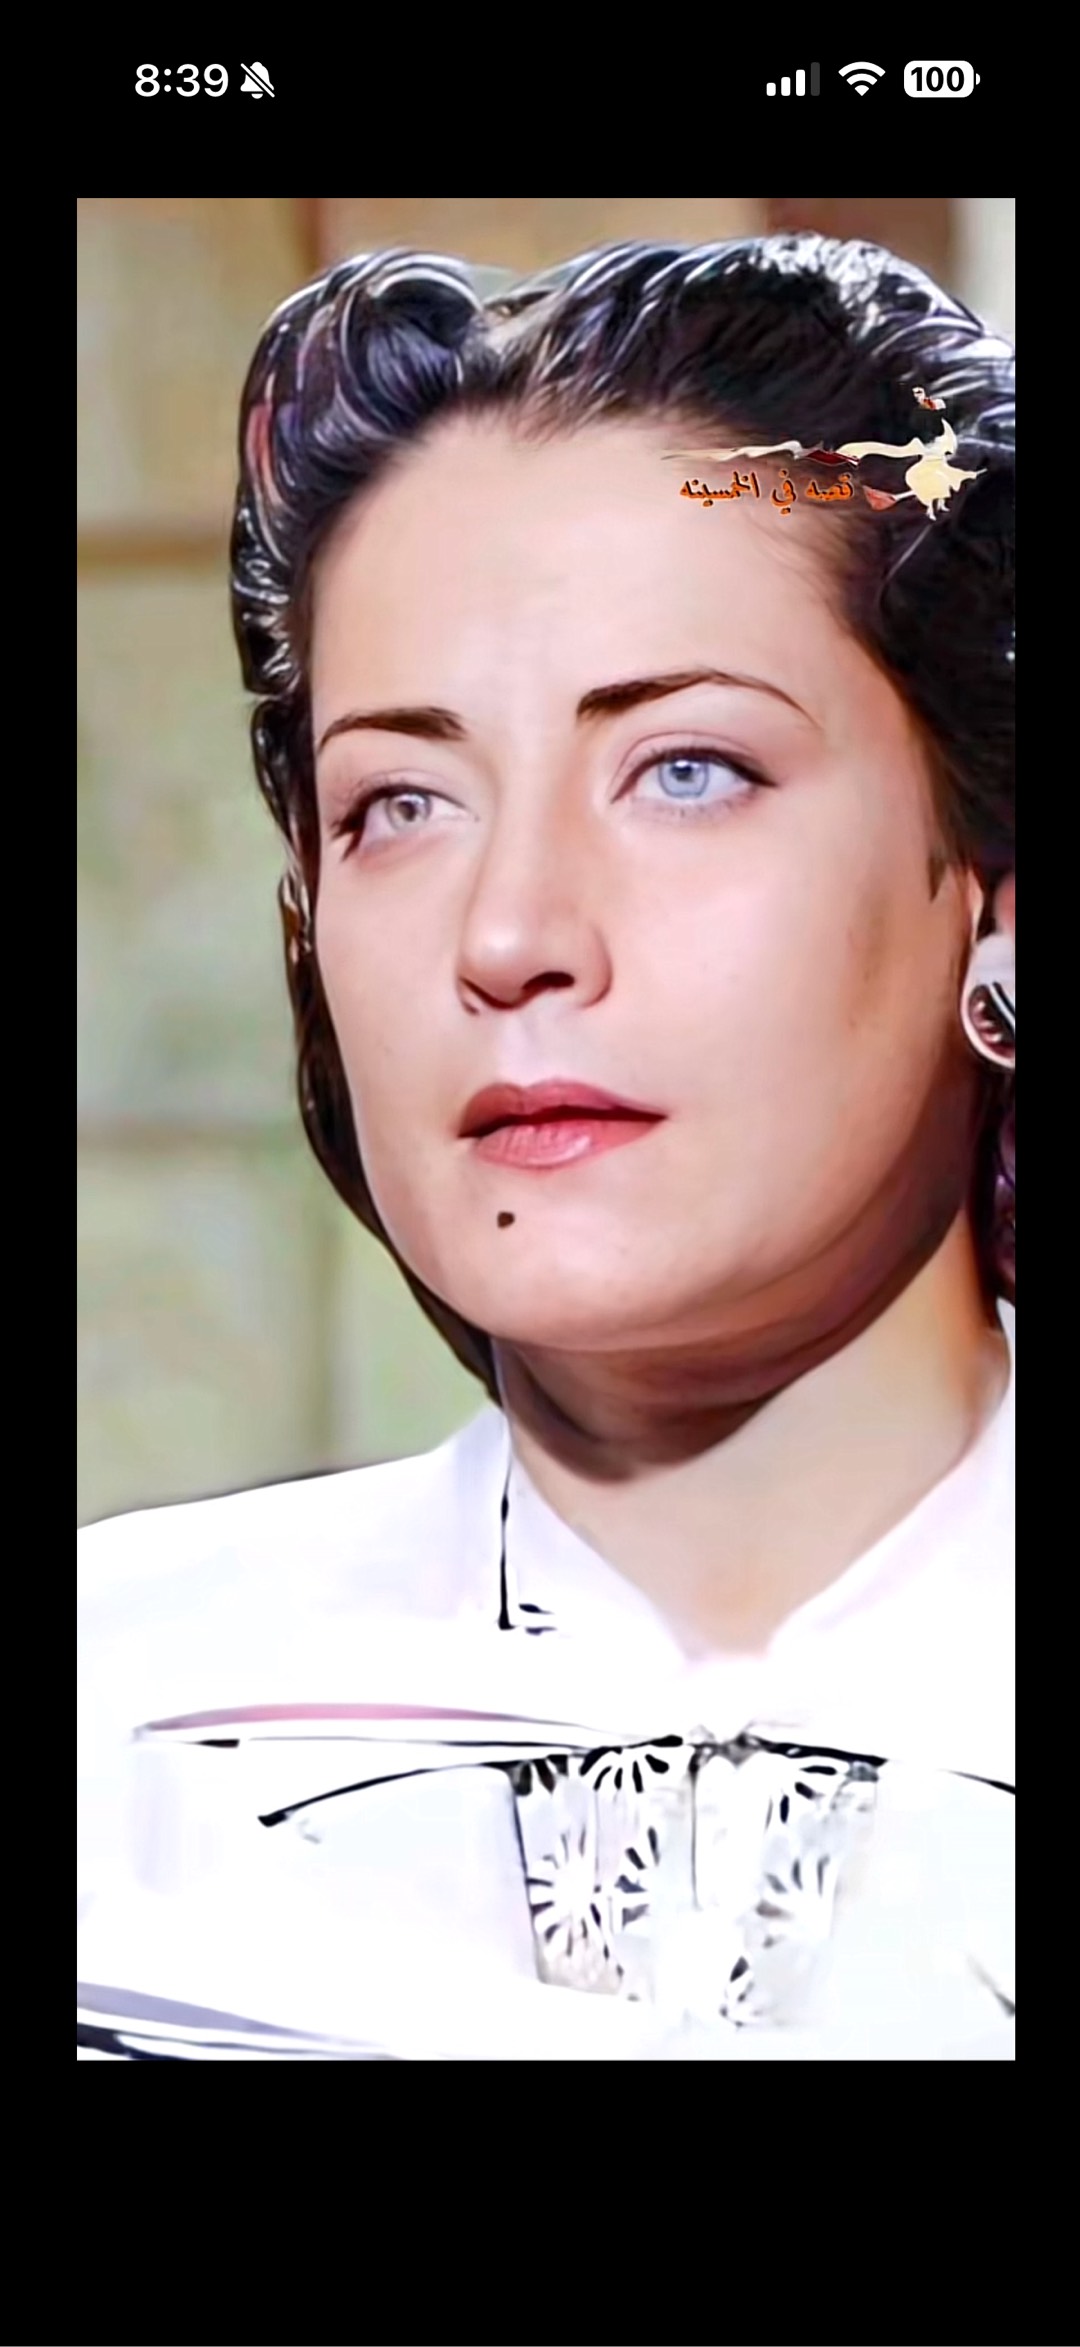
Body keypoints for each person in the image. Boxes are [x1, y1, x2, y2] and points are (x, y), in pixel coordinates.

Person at [78, 234, 1015, 2060]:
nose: (509, 934)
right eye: (401, 803)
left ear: (992, 892)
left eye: (687, 771)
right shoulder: (118, 1722)